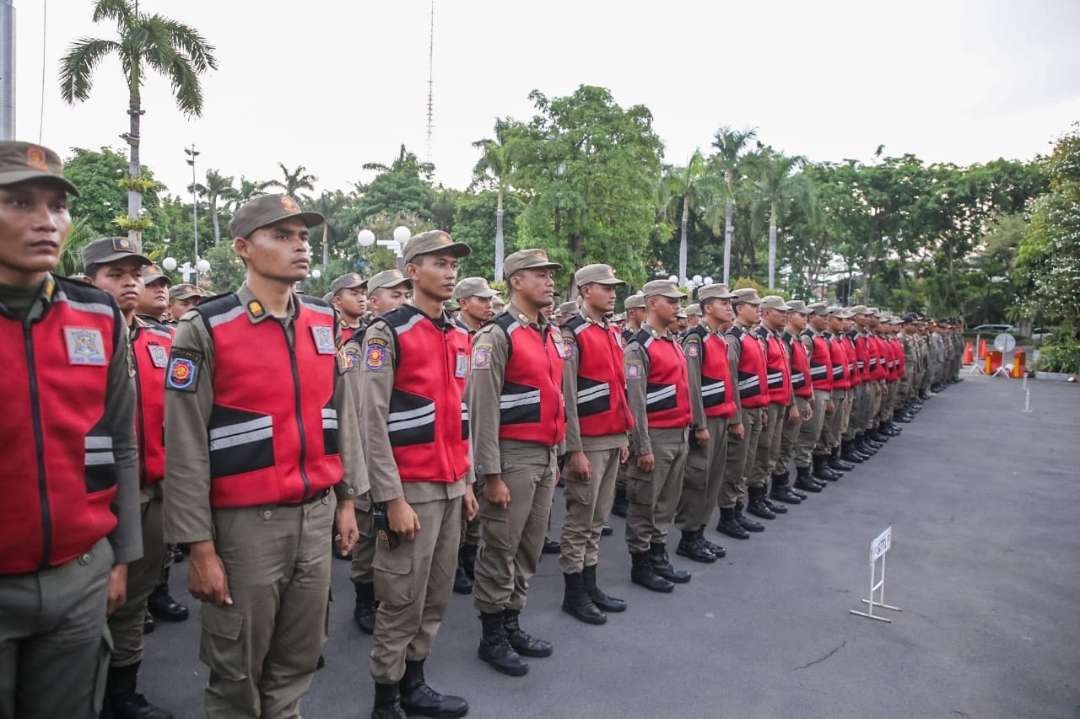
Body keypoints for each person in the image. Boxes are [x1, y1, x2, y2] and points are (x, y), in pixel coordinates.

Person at [163, 194, 362, 718]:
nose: (299, 246)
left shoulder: (322, 318)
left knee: (298, 657)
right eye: (282, 235)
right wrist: (199, 548)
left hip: (315, 515)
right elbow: (184, 445)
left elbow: (336, 414)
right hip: (246, 528)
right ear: (243, 248)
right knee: (236, 670)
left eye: (302, 235)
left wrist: (345, 499)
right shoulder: (205, 328)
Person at [0, 140, 141, 719]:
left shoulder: (96, 315)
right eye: (19, 203)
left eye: (57, 206)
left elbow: (121, 443)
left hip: (78, 577)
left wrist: (120, 555)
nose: (45, 222)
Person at [355, 230, 478, 719]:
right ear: (412, 271)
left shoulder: (458, 333)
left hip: (450, 486)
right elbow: (372, 420)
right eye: (438, 263)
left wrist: (466, 481)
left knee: (436, 593)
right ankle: (386, 697)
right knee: (402, 598)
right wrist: (390, 498)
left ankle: (415, 683)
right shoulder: (388, 333)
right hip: (412, 489)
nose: (449, 271)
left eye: (453, 264)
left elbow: (460, 415)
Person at [80, 237, 177, 719]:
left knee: (135, 598)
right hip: (93, 498)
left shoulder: (163, 341)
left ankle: (123, 692)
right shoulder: (76, 337)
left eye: (134, 273)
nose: (129, 282)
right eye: (114, 274)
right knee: (87, 605)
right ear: (88, 282)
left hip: (153, 490)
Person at [468, 249, 565, 677]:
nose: (549, 281)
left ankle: (512, 621)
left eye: (550, 275)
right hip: (511, 458)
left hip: (544, 455)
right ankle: (492, 635)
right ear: (516, 281)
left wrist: (557, 454)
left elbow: (555, 397)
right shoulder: (497, 334)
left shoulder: (548, 332)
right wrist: (490, 474)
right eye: (539, 275)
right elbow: (483, 409)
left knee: (529, 545)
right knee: (500, 548)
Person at [558, 264, 633, 625]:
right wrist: (574, 449)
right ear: (586, 290)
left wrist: (624, 435)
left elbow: (618, 387)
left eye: (614, 287)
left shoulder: (612, 331)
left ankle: (590, 583)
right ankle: (574, 592)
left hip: (611, 435)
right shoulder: (572, 334)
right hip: (587, 440)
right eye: (605, 287)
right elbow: (567, 397)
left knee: (598, 519)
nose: (613, 292)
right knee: (580, 519)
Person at [349, 268, 413, 634]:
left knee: (390, 531)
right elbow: (357, 408)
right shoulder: (358, 345)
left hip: (395, 453)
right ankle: (363, 598)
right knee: (368, 531)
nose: (402, 301)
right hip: (363, 452)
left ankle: (387, 596)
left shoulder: (405, 337)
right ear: (374, 301)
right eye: (395, 295)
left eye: (406, 294)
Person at [623, 279, 694, 592]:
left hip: (678, 432)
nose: (677, 305)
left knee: (667, 501)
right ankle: (641, 563)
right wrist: (642, 445)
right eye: (671, 300)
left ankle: (658, 553)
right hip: (656, 435)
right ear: (652, 303)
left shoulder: (672, 341)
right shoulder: (639, 346)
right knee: (645, 502)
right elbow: (635, 402)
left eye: (679, 300)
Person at [136, 264, 192, 626]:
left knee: (161, 541)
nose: (160, 290)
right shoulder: (111, 333)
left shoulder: (167, 337)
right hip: (123, 466)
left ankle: (157, 591)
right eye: (151, 284)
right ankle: (133, 603)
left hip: (164, 458)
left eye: (163, 285)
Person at [673, 283, 739, 561]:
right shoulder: (695, 339)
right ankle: (688, 536)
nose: (729, 307)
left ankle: (700, 533)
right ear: (708, 307)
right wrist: (699, 424)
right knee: (698, 479)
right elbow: (693, 384)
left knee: (713, 479)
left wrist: (734, 417)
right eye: (723, 303)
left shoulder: (719, 338)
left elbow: (727, 383)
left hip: (721, 417)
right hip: (707, 421)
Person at [449, 276, 497, 596]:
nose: (489, 304)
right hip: (458, 425)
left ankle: (469, 556)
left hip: (480, 424)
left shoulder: (487, 335)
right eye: (482, 299)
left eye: (490, 299)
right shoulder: (453, 334)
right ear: (463, 303)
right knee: (459, 505)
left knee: (478, 499)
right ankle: (454, 561)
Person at [716, 288, 767, 540]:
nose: (758, 310)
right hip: (742, 410)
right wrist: (735, 417)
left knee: (747, 462)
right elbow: (731, 380)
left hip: (755, 407)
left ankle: (738, 508)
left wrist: (763, 406)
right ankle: (728, 513)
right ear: (739, 309)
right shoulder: (734, 338)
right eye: (753, 306)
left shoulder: (752, 337)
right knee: (736, 464)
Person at [748, 296, 796, 519]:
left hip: (780, 401)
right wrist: (764, 406)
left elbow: (786, 373)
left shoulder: (778, 339)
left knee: (773, 450)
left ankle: (765, 493)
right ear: (766, 313)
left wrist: (792, 402)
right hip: (768, 403)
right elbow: (761, 375)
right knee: (763, 451)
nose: (785, 315)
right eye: (780, 311)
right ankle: (756, 498)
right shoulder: (761, 338)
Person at [611, 293, 646, 519]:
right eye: (643, 309)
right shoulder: (624, 337)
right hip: (623, 394)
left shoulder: (641, 337)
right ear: (632, 312)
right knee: (625, 456)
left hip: (631, 396)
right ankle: (620, 495)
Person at [327, 272, 368, 345]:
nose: (361, 299)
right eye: (354, 294)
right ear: (338, 300)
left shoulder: (371, 329)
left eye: (363, 293)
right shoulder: (332, 332)